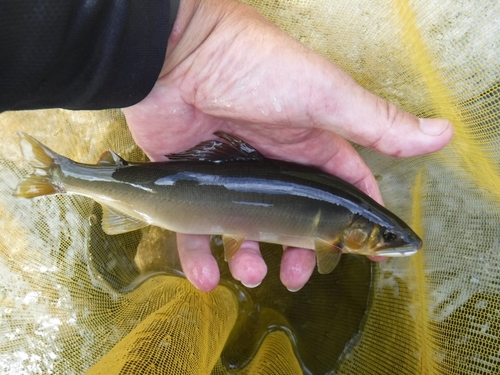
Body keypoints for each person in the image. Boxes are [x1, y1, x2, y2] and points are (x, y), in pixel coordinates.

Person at [1, 0, 453, 292]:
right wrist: (185, 38)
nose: (392, 243)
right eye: (386, 237)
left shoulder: (337, 216)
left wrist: (184, 36)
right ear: (345, 237)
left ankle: (63, 175)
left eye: (387, 236)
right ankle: (62, 175)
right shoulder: (333, 233)